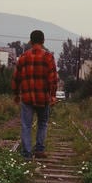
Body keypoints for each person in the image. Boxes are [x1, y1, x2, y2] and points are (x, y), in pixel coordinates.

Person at [11, 30, 58, 159]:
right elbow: (53, 79)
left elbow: (16, 78)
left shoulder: (23, 57)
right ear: (43, 41)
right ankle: (39, 150)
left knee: (26, 125)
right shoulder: (48, 57)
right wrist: (53, 95)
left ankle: (26, 153)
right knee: (42, 123)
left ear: (30, 42)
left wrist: (16, 94)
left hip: (27, 98)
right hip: (43, 98)